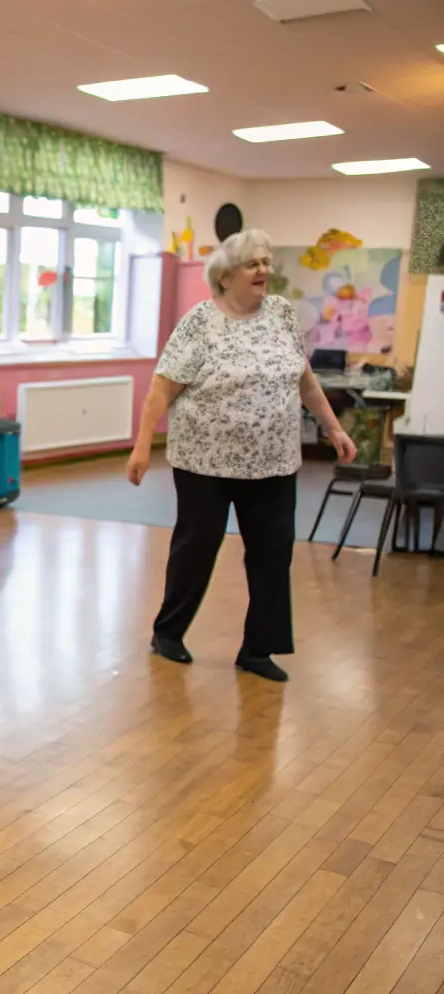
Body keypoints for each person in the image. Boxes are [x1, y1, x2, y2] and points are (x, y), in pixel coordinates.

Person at [127, 228, 355, 682]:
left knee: (273, 552)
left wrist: (332, 427)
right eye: (253, 263)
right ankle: (168, 633)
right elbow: (162, 386)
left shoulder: (282, 315)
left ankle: (258, 650)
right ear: (226, 275)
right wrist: (140, 444)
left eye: (267, 262)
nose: (264, 271)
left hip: (273, 461)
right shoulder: (200, 321)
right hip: (204, 461)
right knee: (196, 547)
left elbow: (303, 378)